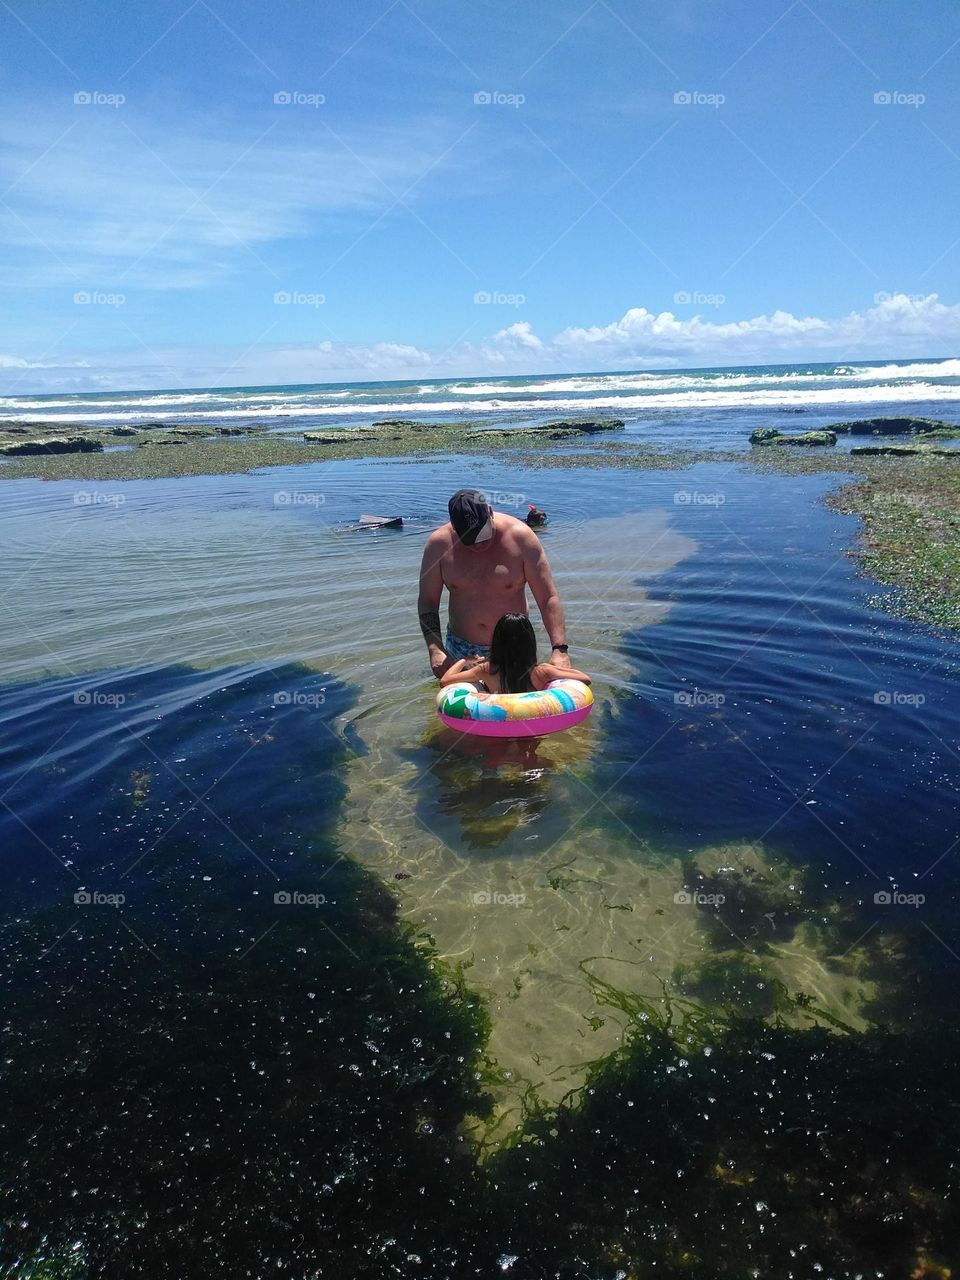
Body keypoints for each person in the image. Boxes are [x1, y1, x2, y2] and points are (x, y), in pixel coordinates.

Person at [418, 489, 574, 679]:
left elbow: (548, 597)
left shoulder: (521, 538)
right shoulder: (438, 545)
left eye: (483, 535)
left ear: (490, 512)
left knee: (519, 707)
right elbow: (428, 601)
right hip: (461, 650)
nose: (478, 545)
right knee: (463, 708)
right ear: (454, 528)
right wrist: (435, 649)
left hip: (515, 645)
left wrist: (560, 649)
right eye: (469, 540)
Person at [439, 613, 591, 693]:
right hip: (532, 723)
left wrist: (464, 661)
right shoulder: (542, 671)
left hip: (498, 723)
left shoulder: (487, 669)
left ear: (498, 641)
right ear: (530, 642)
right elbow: (585, 678)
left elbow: (445, 681)